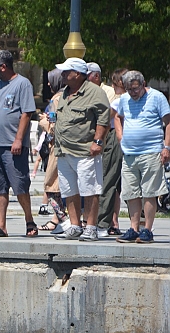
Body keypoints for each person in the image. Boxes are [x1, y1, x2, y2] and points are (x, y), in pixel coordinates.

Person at [0, 50, 37, 237]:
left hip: (14, 145)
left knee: (20, 186)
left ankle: (29, 220)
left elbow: (27, 113)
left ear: (3, 66)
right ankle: (1, 225)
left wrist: (19, 139)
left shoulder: (22, 84)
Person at [52, 58, 110, 241]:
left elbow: (103, 119)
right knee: (69, 190)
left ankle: (91, 227)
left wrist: (98, 142)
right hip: (64, 151)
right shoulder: (64, 92)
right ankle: (75, 225)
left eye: (65, 71)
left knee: (90, 190)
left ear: (77, 73)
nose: (62, 74)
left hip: (85, 150)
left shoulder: (95, 92)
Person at [114, 71, 170, 243]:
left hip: (151, 151)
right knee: (131, 193)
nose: (133, 93)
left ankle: (147, 230)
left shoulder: (157, 97)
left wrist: (166, 147)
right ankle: (133, 228)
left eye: (136, 89)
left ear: (143, 83)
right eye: (129, 90)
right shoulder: (124, 99)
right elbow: (117, 116)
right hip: (130, 153)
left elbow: (168, 122)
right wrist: (120, 136)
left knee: (150, 192)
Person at [36, 69, 70, 233]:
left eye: (51, 80)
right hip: (59, 148)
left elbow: (53, 126)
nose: (48, 84)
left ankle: (64, 220)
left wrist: (43, 121)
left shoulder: (58, 99)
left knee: (51, 186)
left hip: (58, 149)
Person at [97, 68, 128, 237]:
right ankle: (134, 224)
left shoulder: (118, 100)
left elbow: (106, 120)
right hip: (127, 141)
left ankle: (102, 221)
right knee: (120, 184)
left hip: (116, 139)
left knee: (108, 180)